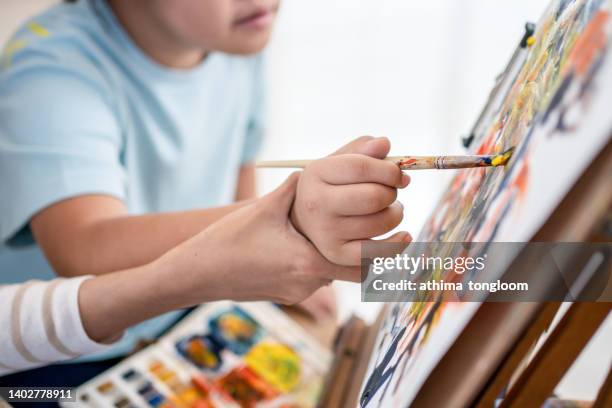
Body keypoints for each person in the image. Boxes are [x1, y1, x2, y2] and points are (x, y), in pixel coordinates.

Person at [0, 0, 411, 383]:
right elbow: (85, 249)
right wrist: (287, 218)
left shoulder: (234, 35)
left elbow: (239, 167)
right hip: (67, 354)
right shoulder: (50, 68)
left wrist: (271, 241)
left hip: (191, 307)